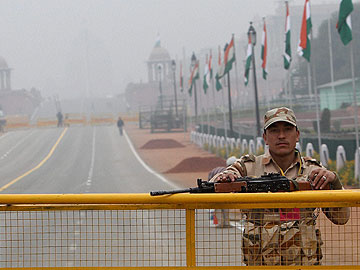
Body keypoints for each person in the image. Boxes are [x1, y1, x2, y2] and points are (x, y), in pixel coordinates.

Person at [210, 107, 350, 266]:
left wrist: (335, 181)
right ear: (265, 137)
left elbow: (341, 218)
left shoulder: (313, 171)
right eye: (274, 130)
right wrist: (225, 177)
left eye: (288, 129)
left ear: (297, 135)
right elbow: (212, 185)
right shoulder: (249, 167)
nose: (281, 136)